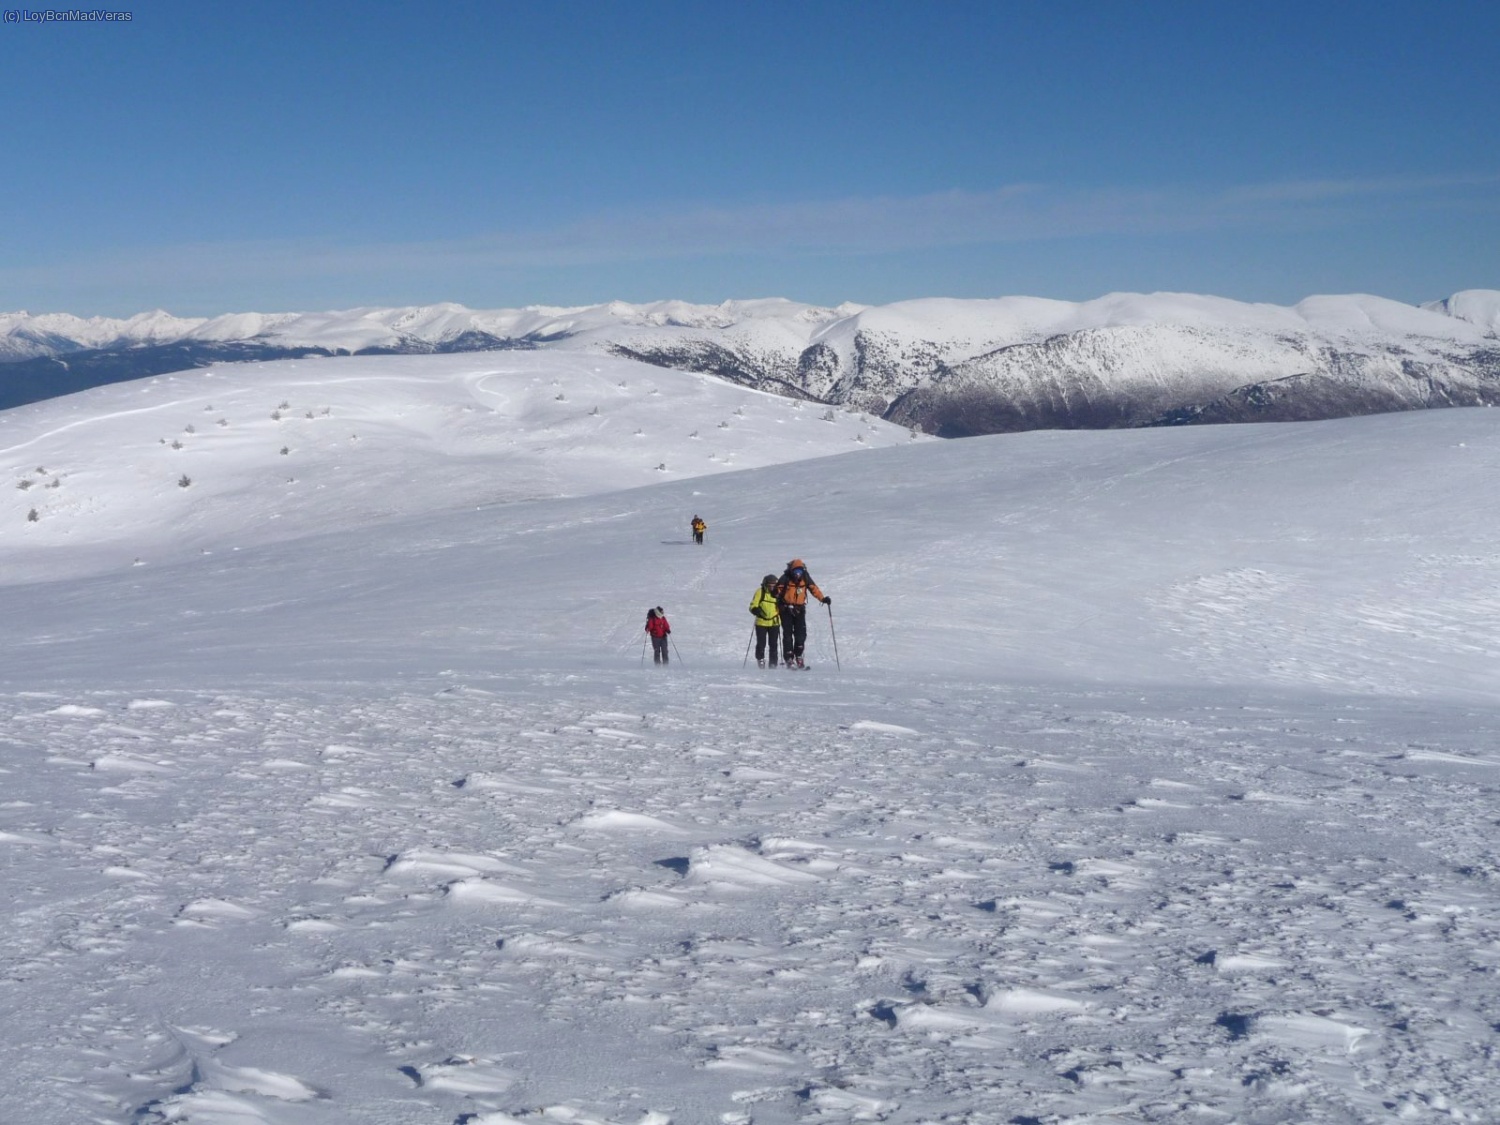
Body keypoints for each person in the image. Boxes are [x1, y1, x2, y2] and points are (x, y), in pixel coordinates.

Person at [775, 558, 829, 668]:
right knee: (787, 635)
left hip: (799, 610)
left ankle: (799, 656)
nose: (798, 574)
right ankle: (789, 658)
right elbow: (776, 592)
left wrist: (823, 599)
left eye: (799, 571)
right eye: (796, 571)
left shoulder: (805, 577)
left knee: (800, 635)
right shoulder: (785, 578)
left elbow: (814, 589)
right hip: (786, 610)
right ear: (792, 570)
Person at [748, 573, 781, 667]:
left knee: (773, 644)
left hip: (774, 622)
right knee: (761, 643)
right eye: (770, 585)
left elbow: (782, 604)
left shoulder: (778, 593)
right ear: (765, 584)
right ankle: (760, 659)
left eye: (773, 585)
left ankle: (773, 663)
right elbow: (752, 605)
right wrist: (755, 610)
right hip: (761, 622)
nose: (772, 588)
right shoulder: (760, 592)